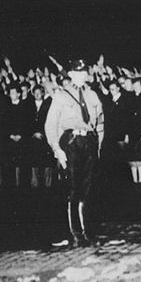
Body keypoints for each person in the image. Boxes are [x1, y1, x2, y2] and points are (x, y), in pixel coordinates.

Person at [44, 60, 104, 246]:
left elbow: (100, 122)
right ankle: (74, 233)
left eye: (84, 72)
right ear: (71, 75)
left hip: (89, 142)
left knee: (88, 187)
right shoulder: (61, 96)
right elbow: (51, 124)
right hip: (70, 143)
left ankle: (87, 232)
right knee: (72, 187)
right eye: (78, 73)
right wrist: (56, 149)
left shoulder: (93, 95)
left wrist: (98, 145)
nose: (82, 75)